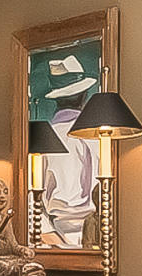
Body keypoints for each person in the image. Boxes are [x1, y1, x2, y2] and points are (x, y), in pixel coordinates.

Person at [38, 54, 101, 246]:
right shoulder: (99, 138)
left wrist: (51, 237)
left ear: (57, 100)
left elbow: (32, 200)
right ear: (83, 96)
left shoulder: (43, 142)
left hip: (51, 237)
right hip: (96, 234)